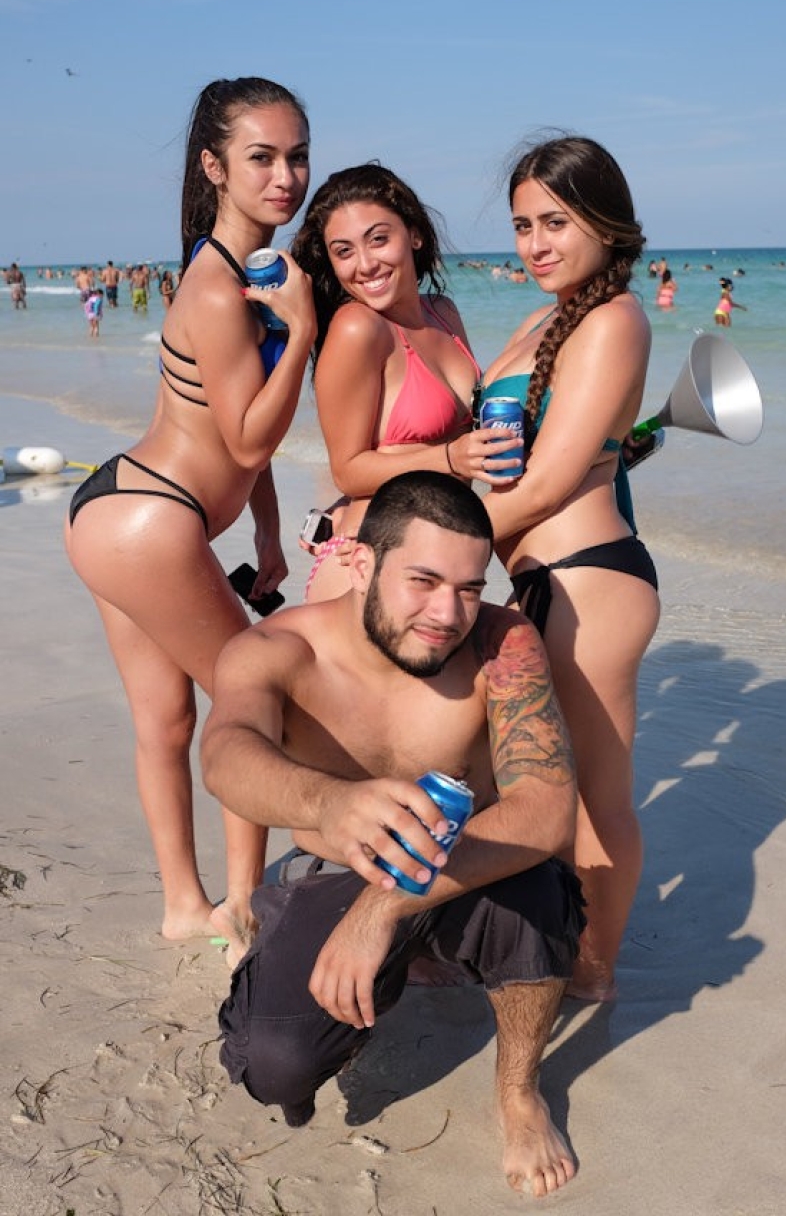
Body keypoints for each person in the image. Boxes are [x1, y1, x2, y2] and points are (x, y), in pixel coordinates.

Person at [201, 470, 585, 1197]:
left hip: (466, 865)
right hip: (338, 871)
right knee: (274, 1066)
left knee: (538, 891)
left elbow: (545, 809)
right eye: (424, 580)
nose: (447, 612)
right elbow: (224, 756)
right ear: (360, 562)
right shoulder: (279, 647)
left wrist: (382, 909)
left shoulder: (500, 642)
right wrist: (328, 803)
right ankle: (362, 976)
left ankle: (518, 1093)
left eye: (468, 588)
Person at [64, 76, 316, 965]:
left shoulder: (234, 273)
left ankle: (183, 904)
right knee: (254, 708)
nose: (284, 178)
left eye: (297, 157)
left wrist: (267, 531)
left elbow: (233, 431)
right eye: (261, 158)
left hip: (121, 510)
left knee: (166, 721)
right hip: (151, 522)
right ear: (214, 166)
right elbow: (248, 434)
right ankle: (244, 909)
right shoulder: (217, 289)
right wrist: (305, 331)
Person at [476, 135, 660, 1004]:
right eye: (522, 226)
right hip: (539, 580)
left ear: (604, 222)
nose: (535, 243)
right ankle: (538, 944)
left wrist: (432, 549)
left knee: (595, 798)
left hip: (587, 582)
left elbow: (548, 481)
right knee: (535, 786)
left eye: (555, 221)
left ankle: (594, 970)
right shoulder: (542, 319)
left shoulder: (614, 318)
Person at [288, 163, 518, 602]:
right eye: (344, 251)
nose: (365, 264)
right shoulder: (358, 327)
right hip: (370, 561)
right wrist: (451, 458)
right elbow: (348, 470)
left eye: (378, 239)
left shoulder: (443, 312)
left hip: (436, 559)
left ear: (414, 234)